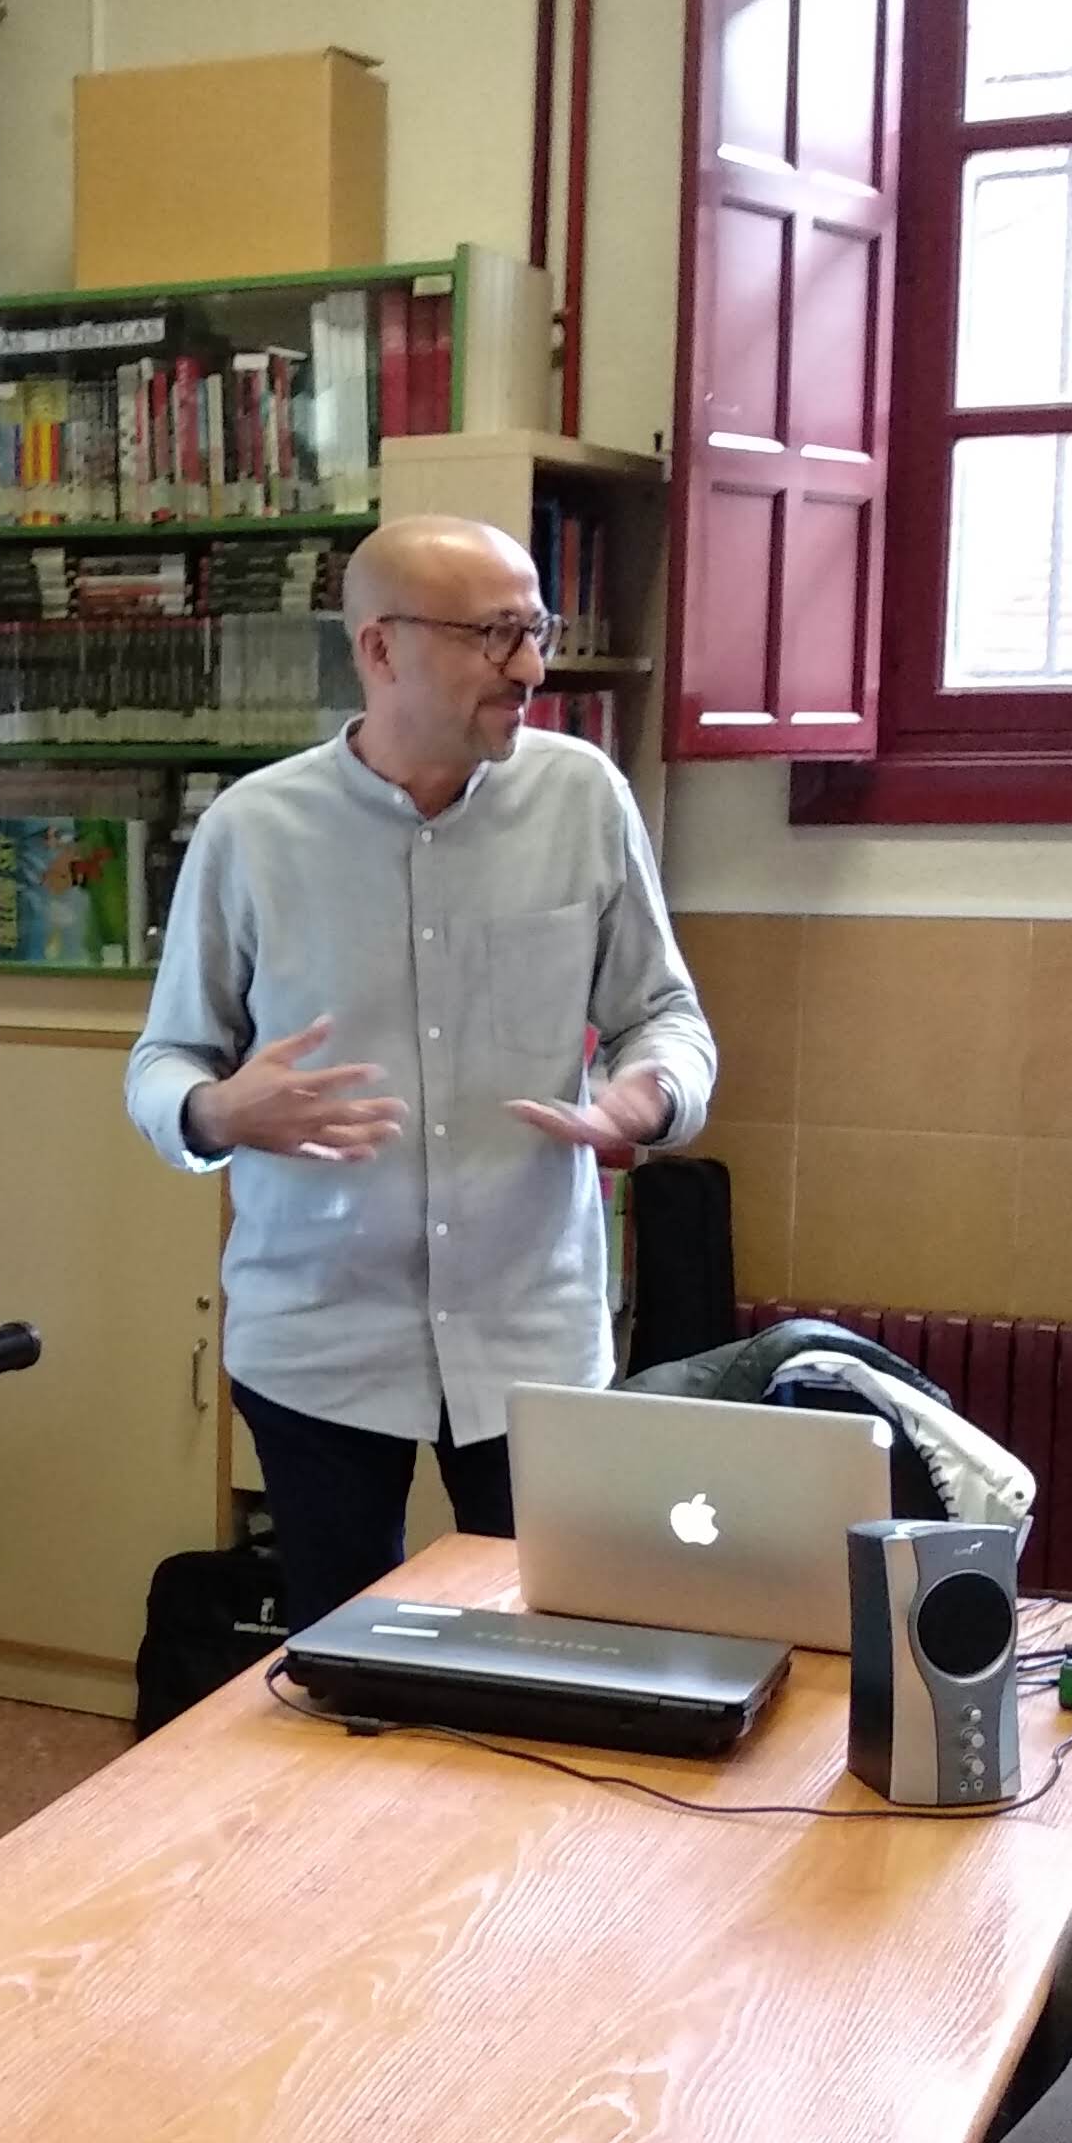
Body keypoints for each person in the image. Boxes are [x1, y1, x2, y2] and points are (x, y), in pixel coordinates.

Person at [124, 512, 716, 1633]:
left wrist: (648, 1096)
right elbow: (163, 1062)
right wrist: (216, 1110)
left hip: (533, 1332)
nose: (529, 669)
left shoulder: (583, 798)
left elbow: (665, 1016)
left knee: (561, 1650)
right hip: (320, 1339)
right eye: (493, 636)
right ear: (379, 647)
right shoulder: (255, 830)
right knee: (348, 1664)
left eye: (534, 631)